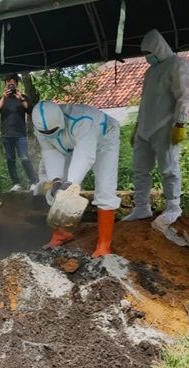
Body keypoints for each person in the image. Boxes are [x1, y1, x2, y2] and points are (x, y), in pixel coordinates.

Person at [122, 29, 189, 224]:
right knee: (140, 169)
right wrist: (137, 127)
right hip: (145, 127)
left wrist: (180, 123)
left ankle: (173, 205)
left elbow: (184, 96)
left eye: (149, 52)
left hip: (165, 125)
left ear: (159, 48)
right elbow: (145, 101)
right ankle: (142, 207)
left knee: (168, 167)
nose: (147, 57)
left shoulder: (179, 65)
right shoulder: (151, 71)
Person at [31, 101, 121, 257]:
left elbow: (85, 155)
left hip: (104, 139)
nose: (50, 134)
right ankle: (62, 234)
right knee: (57, 190)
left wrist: (71, 184)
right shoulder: (40, 129)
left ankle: (104, 245)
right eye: (47, 133)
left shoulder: (82, 120)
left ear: (60, 121)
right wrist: (56, 181)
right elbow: (50, 153)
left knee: (105, 189)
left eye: (53, 130)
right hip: (68, 145)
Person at [0, 73, 39, 192]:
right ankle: (16, 184)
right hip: (6, 135)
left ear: (17, 85)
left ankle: (34, 182)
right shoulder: (2, 99)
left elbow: (30, 110)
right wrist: (3, 97)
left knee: (24, 158)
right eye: (8, 84)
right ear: (5, 85)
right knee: (10, 159)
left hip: (20, 135)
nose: (10, 86)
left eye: (13, 84)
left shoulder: (22, 97)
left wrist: (21, 99)